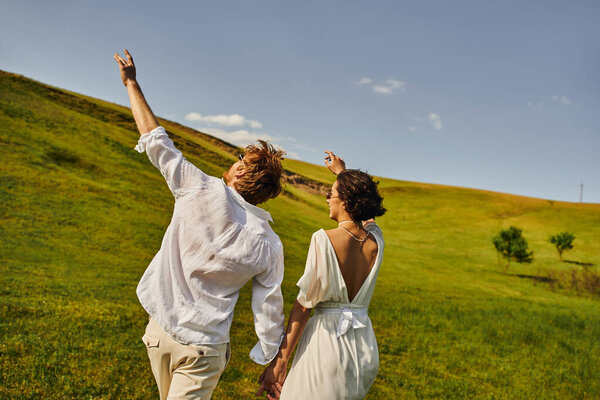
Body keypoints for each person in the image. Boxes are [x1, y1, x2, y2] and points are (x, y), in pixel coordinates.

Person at [113, 50, 286, 400]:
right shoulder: (270, 243)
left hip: (160, 333)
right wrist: (267, 353)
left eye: (240, 160)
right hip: (205, 350)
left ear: (239, 172)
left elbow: (155, 139)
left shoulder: (197, 187)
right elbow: (268, 305)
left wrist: (131, 83)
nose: (235, 162)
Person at [258, 152, 387, 399]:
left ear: (346, 201)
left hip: (327, 345)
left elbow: (304, 306)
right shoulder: (377, 241)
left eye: (332, 193)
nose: (327, 197)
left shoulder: (323, 240)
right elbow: (368, 216)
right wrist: (343, 175)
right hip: (363, 348)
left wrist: (281, 361)